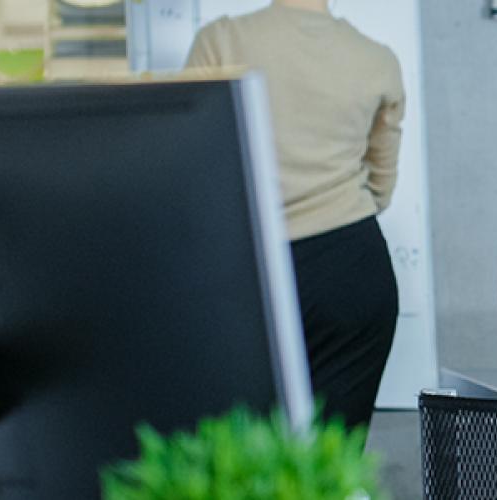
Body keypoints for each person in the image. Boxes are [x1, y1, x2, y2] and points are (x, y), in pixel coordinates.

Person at [185, 0, 404, 431]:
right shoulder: (377, 59)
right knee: (324, 465)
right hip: (349, 268)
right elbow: (381, 186)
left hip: (244, 271)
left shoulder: (222, 40)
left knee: (241, 460)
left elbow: (189, 165)